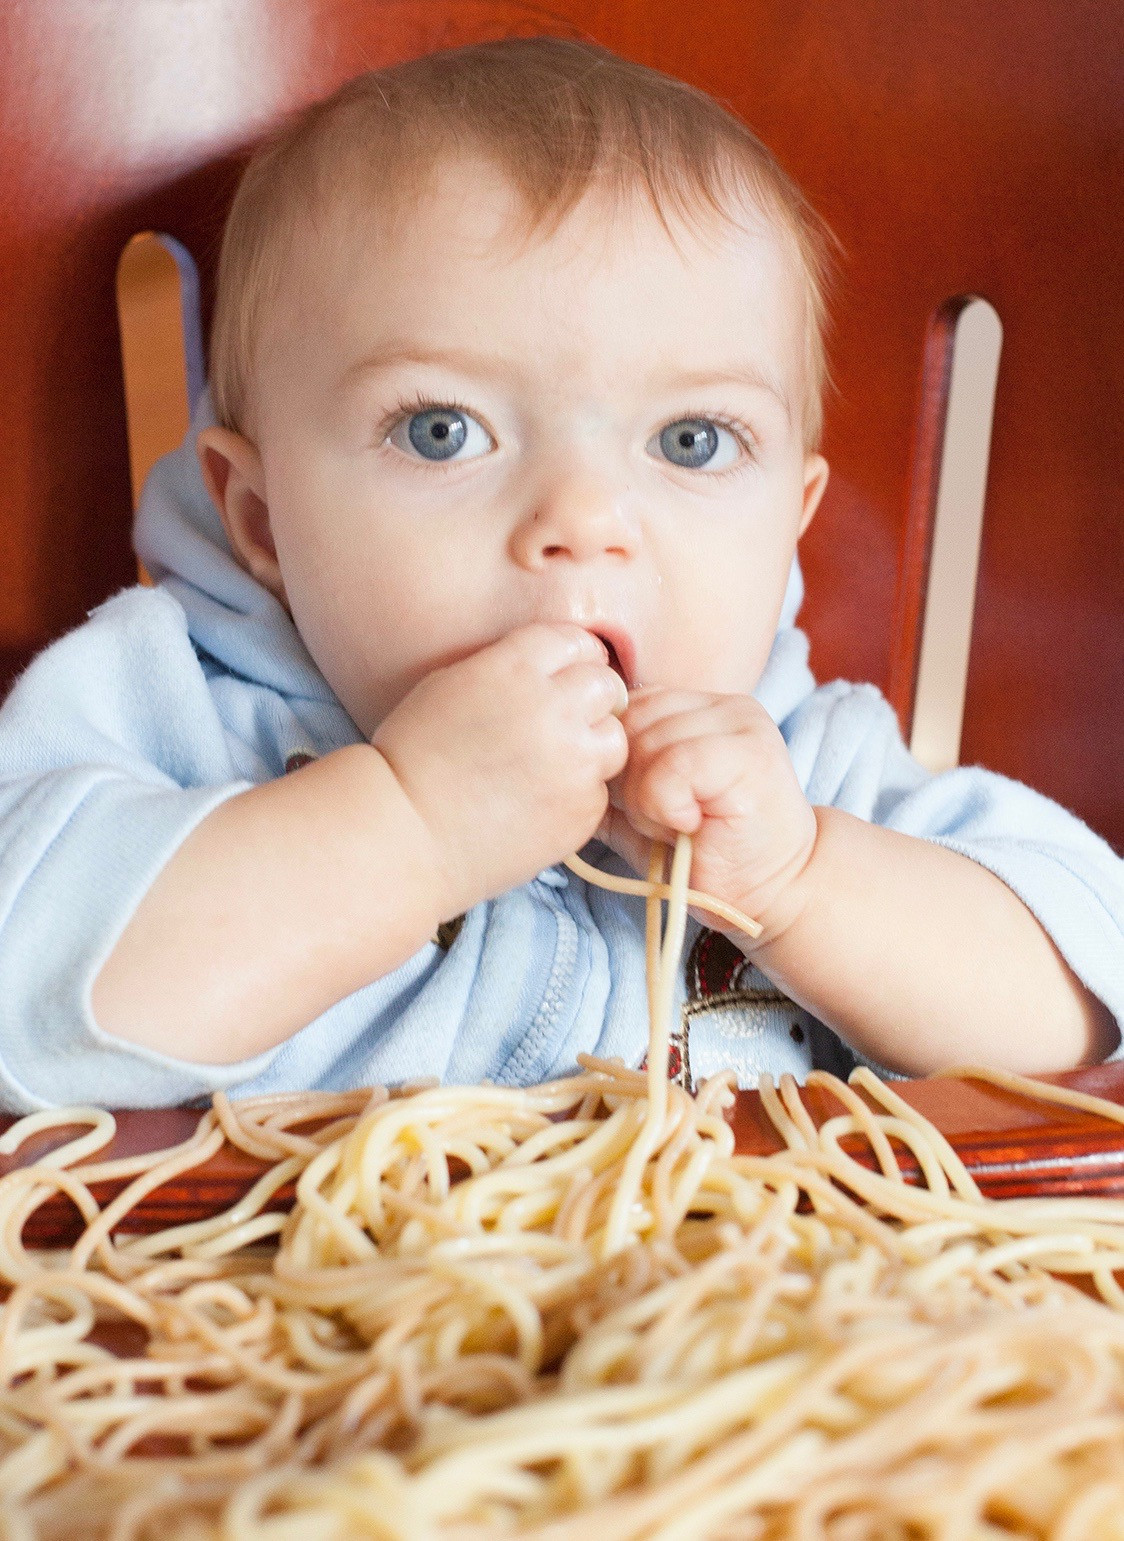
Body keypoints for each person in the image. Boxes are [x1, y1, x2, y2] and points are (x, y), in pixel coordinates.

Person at [0, 37, 1120, 1114]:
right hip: (280, 1298)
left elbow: (1087, 991)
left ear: (788, 523)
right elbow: (21, 993)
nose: (581, 522)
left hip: (744, 1294)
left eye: (690, 441)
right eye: (442, 431)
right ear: (262, 516)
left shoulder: (808, 769)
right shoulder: (174, 718)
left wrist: (802, 882)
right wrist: (406, 828)